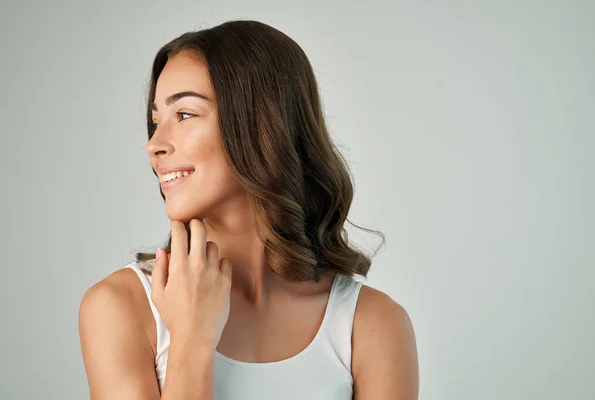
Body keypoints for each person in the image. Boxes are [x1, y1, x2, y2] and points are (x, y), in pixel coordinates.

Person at [78, 19, 419, 400]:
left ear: (262, 125)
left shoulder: (371, 325)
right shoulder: (121, 306)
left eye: (185, 115)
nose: (154, 145)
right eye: (156, 121)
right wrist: (191, 337)